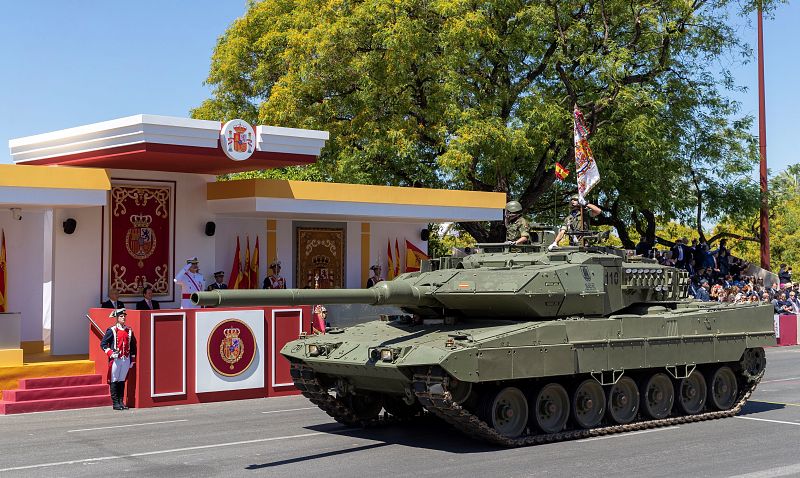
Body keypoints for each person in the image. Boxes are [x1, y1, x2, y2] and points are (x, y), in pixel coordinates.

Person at [100, 308, 137, 411]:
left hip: (126, 359)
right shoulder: (111, 330)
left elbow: (133, 346)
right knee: (114, 380)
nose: (123, 318)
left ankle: (121, 402)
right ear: (117, 318)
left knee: (121, 380)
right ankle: (115, 403)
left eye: (124, 316)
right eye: (121, 316)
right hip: (116, 359)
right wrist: (111, 353)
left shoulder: (129, 330)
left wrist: (132, 359)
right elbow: (103, 344)